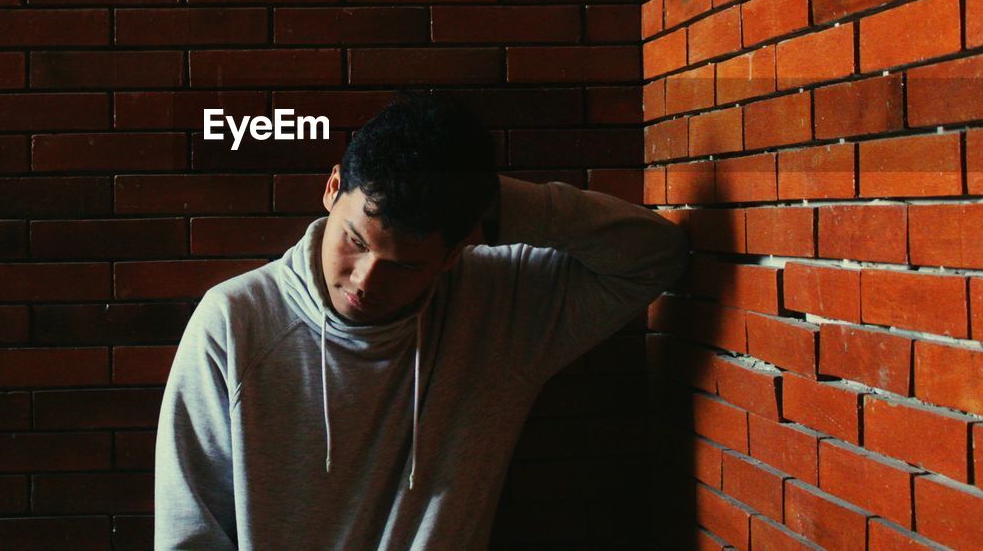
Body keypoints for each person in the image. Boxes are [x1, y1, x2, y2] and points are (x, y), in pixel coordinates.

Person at [154, 90, 690, 550]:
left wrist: (493, 206)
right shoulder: (234, 321)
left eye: (405, 266)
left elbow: (653, 255)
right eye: (355, 241)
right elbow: (189, 531)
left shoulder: (500, 305)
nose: (365, 280)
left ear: (454, 252)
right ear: (332, 187)